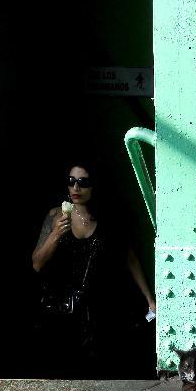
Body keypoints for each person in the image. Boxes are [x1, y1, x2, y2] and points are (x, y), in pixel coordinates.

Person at [32, 161, 156, 377]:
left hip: (100, 310)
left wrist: (150, 299)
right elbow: (37, 263)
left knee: (100, 369)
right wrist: (55, 234)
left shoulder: (109, 219)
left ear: (95, 186)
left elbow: (130, 259)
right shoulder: (55, 215)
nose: (76, 188)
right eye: (71, 182)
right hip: (62, 310)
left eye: (83, 182)